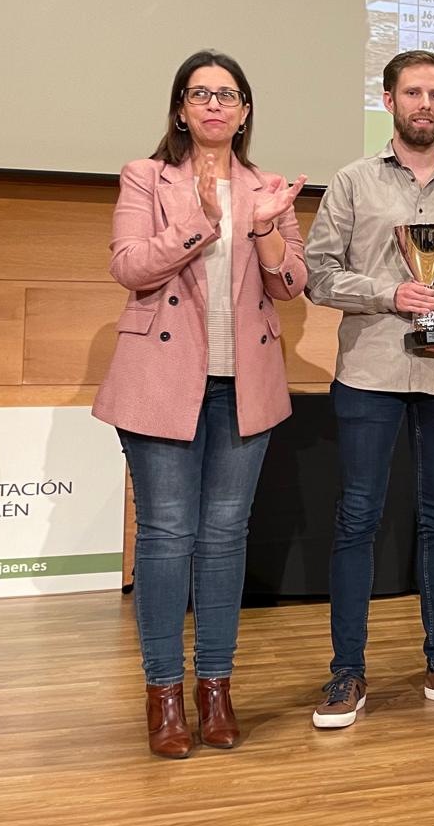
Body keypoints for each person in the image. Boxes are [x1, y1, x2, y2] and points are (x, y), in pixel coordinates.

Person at [93, 49, 309, 759]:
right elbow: (128, 266)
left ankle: (215, 687)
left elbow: (290, 285)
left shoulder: (269, 187)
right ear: (182, 109)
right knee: (164, 537)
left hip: (242, 387)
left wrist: (268, 226)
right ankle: (163, 695)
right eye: (200, 93)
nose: (214, 104)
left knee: (223, 539)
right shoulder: (146, 178)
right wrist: (200, 221)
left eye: (228, 94)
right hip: (161, 383)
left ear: (245, 110)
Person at [304, 50, 434, 728]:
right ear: (389, 99)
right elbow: (319, 274)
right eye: (413, 92)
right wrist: (388, 293)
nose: (426, 104)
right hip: (370, 374)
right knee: (357, 519)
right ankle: (346, 673)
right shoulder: (354, 182)